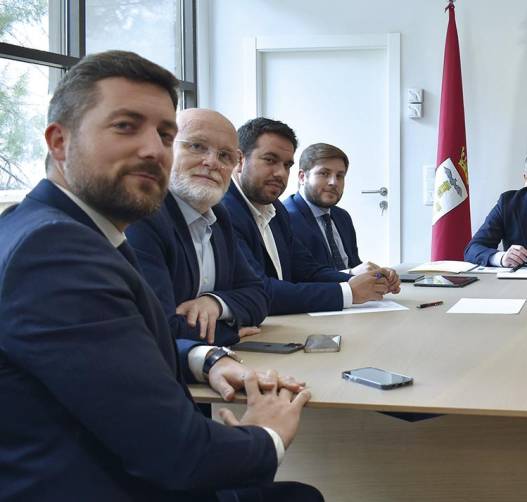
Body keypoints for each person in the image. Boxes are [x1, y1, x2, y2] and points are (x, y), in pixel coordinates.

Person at [0, 50, 321, 501]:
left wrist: (202, 358)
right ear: (59, 142)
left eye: (166, 134)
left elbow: (123, 345)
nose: (154, 150)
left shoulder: (70, 231)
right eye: (125, 126)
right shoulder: (54, 251)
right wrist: (266, 434)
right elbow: (179, 456)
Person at [223, 119, 399, 315]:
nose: (281, 173)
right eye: (270, 160)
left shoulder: (276, 210)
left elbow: (307, 271)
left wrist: (364, 281)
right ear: (239, 160)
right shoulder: (223, 211)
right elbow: (260, 289)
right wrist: (348, 292)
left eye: (287, 164)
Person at [126, 109, 269, 347]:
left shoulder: (219, 217)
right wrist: (229, 331)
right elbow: (158, 326)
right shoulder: (143, 215)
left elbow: (260, 295)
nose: (212, 162)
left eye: (225, 156)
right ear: (164, 149)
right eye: (196, 146)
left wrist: (215, 304)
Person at [283, 142, 392, 276]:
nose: (334, 182)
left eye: (340, 176)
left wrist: (377, 275)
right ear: (302, 177)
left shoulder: (342, 216)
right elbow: (302, 277)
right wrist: (351, 274)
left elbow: (355, 265)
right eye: (324, 173)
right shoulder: (285, 218)